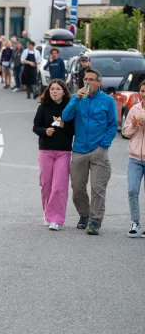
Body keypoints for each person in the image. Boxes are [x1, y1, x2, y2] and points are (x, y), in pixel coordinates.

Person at [61, 68, 117, 235]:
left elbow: (113, 125)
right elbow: (65, 117)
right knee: (77, 187)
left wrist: (104, 145)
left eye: (92, 79)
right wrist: (75, 100)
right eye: (86, 79)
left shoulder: (108, 101)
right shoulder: (76, 98)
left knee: (98, 188)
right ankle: (84, 215)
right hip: (79, 149)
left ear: (99, 83)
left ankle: (95, 220)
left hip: (98, 149)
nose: (88, 82)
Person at [33, 80, 75, 231]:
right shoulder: (43, 107)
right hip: (45, 150)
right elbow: (35, 127)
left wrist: (63, 125)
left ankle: (56, 219)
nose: (54, 91)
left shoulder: (69, 108)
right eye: (52, 89)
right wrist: (45, 131)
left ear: (64, 91)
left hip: (63, 151)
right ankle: (47, 213)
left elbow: (74, 130)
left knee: (59, 186)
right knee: (46, 184)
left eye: (58, 89)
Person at [120, 80, 145, 238]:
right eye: (142, 91)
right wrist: (135, 125)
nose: (144, 94)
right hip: (135, 158)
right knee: (132, 190)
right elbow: (125, 132)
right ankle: (135, 222)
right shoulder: (134, 109)